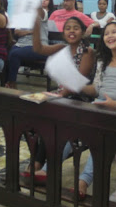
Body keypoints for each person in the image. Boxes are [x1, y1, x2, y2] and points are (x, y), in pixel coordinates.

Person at [58, 21, 116, 200]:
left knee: (99, 137)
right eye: (106, 33)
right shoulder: (102, 61)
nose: (109, 36)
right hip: (100, 107)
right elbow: (96, 89)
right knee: (70, 131)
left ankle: (84, 181)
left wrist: (114, 104)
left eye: (114, 32)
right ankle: (47, 170)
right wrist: (78, 84)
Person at [22, 15, 96, 182]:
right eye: (68, 28)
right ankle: (37, 161)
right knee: (35, 119)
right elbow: (38, 48)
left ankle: (38, 164)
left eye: (75, 28)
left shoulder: (87, 52)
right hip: (61, 96)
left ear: (83, 32)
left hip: (80, 98)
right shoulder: (62, 48)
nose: (71, 31)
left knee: (52, 120)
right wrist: (36, 27)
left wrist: (58, 95)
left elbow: (77, 81)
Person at [5, 0, 54, 89]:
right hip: (21, 44)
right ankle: (7, 82)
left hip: (39, 46)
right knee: (7, 53)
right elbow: (17, 32)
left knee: (14, 54)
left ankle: (11, 83)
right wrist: (30, 31)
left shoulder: (43, 13)